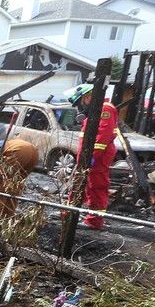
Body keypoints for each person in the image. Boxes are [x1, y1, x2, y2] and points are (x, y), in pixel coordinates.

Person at [68, 83, 118, 229]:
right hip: (88, 155)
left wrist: (92, 156)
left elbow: (102, 137)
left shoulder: (105, 109)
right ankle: (69, 213)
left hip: (98, 157)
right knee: (79, 184)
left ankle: (94, 221)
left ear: (88, 97)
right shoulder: (95, 111)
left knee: (96, 187)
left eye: (80, 102)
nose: (80, 107)